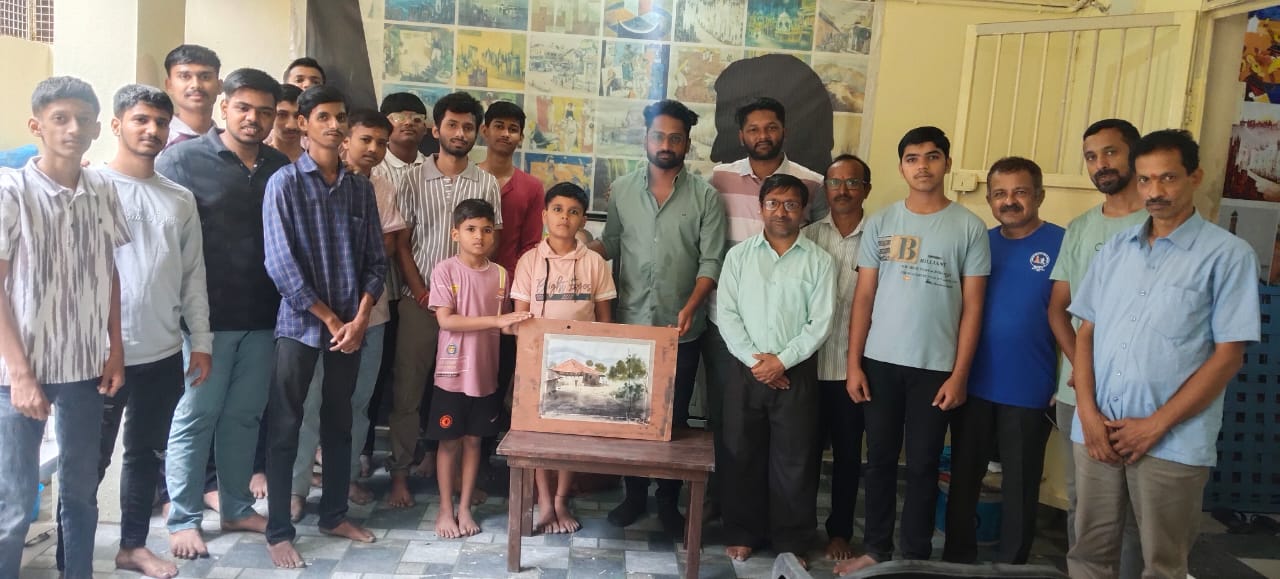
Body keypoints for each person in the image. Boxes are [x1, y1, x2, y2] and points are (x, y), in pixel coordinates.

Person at [1067, 130, 1259, 578]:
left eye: (1168, 178)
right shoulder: (1116, 251)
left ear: (1195, 177)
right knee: (1088, 554)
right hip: (1097, 431)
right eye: (1145, 180)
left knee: (1162, 564)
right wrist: (1088, 415)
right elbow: (1086, 333)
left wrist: (1155, 425)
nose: (1154, 191)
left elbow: (1229, 357)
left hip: (1172, 440)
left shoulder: (1228, 256)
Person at [54, 84, 210, 579]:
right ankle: (70, 561)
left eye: (160, 122)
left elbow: (193, 276)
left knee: (146, 454)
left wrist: (201, 341)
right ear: (117, 124)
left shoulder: (179, 198)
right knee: (87, 463)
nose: (152, 130)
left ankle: (132, 547)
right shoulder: (87, 185)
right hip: (95, 356)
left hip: (161, 350)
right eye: (141, 119)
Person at [838, 127, 990, 574]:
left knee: (923, 465)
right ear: (902, 167)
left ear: (947, 163)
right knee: (879, 461)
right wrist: (853, 365)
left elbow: (974, 308)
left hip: (936, 368)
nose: (922, 166)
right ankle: (877, 549)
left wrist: (959, 376)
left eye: (932, 156)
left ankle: (915, 555)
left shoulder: (969, 227)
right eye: (912, 158)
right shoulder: (882, 222)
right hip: (880, 364)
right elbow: (864, 297)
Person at [156, 68, 289, 560]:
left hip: (264, 317)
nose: (254, 119)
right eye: (244, 108)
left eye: (265, 112)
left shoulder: (279, 165)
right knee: (196, 416)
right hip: (203, 322)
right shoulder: (182, 160)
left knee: (244, 417)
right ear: (225, 106)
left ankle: (235, 506)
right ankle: (184, 517)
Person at [0, 76, 129, 579]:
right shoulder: (11, 191)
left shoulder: (102, 189)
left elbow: (110, 272)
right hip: (17, 374)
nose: (73, 129)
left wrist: (115, 349)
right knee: (14, 502)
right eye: (60, 119)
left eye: (83, 120)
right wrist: (20, 375)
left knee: (79, 495)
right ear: (37, 126)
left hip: (83, 369)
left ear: (97, 128)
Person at [262, 85, 386, 568]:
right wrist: (333, 318)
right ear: (303, 124)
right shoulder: (285, 184)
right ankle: (278, 531)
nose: (335, 126)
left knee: (340, 423)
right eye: (324, 117)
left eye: (340, 117)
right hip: (300, 326)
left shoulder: (359, 189)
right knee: (286, 426)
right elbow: (280, 264)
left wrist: (361, 317)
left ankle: (334, 515)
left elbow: (376, 261)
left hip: (351, 328)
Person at [590, 99, 727, 536]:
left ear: (687, 143)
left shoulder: (705, 196)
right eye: (658, 136)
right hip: (630, 323)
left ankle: (668, 501)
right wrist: (574, 250)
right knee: (630, 412)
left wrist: (691, 306)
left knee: (675, 419)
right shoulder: (623, 189)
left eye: (675, 138)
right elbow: (611, 243)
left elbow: (711, 261)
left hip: (681, 328)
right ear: (645, 138)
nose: (666, 144)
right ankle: (633, 497)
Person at [703, 96, 827, 520]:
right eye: (753, 129)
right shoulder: (719, 178)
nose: (763, 135)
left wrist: (781, 360)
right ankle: (729, 512)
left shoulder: (811, 182)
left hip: (791, 343)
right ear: (741, 135)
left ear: (784, 130)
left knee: (790, 447)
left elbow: (818, 243)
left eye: (771, 127)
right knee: (733, 431)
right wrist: (756, 360)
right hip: (733, 332)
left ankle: (786, 528)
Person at [943, 157, 1063, 564]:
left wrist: (1067, 381)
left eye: (1020, 192)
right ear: (990, 200)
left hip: (1030, 387)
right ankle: (957, 559)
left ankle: (1013, 565)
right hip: (971, 383)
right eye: (999, 194)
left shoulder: (1063, 244)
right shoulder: (979, 242)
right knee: (964, 477)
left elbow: (1080, 319)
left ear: (1039, 195)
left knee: (1021, 485)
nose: (1009, 201)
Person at [387, 91, 502, 508]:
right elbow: (402, 244)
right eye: (452, 125)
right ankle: (400, 473)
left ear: (477, 133)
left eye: (468, 127)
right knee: (409, 390)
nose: (460, 133)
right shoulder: (412, 178)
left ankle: (450, 473)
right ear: (436, 129)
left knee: (463, 390)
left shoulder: (487, 182)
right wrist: (421, 291)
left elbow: (492, 240)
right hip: (419, 303)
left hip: (471, 312)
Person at [288, 109, 405, 519]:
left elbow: (381, 252)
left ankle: (347, 478)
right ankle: (297, 487)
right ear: (345, 139)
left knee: (357, 403)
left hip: (371, 315)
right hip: (318, 317)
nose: (373, 148)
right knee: (309, 404)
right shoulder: (304, 182)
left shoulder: (381, 188)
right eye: (365, 139)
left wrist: (362, 313)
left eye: (380, 142)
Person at [1047, 118, 1147, 577]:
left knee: (1136, 513)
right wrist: (1080, 366)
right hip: (1076, 392)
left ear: (1134, 155)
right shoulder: (1082, 227)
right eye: (1091, 156)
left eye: (1110, 152)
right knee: (1084, 505)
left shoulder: (1159, 222)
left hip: (1139, 394)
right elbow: (1059, 309)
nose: (1101, 164)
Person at [718, 173, 835, 565]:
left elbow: (820, 322)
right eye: (773, 203)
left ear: (803, 211)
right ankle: (742, 532)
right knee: (742, 454)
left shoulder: (819, 261)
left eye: (790, 205)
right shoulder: (738, 257)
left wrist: (782, 361)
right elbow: (727, 314)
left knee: (795, 460)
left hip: (795, 371)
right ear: (760, 208)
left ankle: (792, 541)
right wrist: (758, 362)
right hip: (745, 368)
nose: (781, 212)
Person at [511, 182, 617, 534]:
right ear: (544, 215)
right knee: (538, 434)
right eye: (557, 209)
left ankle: (560, 500)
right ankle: (544, 500)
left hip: (580, 366)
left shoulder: (595, 263)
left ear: (583, 219)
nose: (564, 217)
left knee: (571, 433)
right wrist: (531, 358)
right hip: (536, 361)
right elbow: (519, 318)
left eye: (573, 212)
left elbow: (605, 321)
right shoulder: (529, 261)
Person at [426, 199, 530, 538]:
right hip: (451, 376)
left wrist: (530, 325)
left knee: (474, 443)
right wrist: (497, 321)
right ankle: (445, 510)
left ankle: (465, 508)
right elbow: (446, 320)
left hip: (485, 376)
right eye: (470, 229)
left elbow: (506, 325)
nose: (479, 236)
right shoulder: (445, 270)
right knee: (448, 444)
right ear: (455, 233)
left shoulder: (501, 274)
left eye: (486, 230)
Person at [800, 154, 869, 561]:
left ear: (866, 189)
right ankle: (799, 532)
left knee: (847, 457)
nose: (842, 190)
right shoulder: (807, 237)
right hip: (807, 367)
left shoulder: (880, 239)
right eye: (835, 182)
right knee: (802, 457)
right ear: (824, 189)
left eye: (852, 182)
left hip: (853, 369)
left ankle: (839, 532)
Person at [477, 100, 544, 470]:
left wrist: (515, 294)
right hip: (468, 296)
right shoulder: (470, 178)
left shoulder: (531, 187)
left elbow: (531, 245)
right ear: (484, 131)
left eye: (513, 128)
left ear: (520, 136)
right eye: (499, 126)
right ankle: (442, 452)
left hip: (511, 298)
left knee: (500, 375)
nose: (505, 134)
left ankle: (487, 456)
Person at [162, 44, 221, 146]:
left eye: (205, 77)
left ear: (219, 86)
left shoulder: (228, 142)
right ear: (169, 85)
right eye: (185, 76)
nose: (196, 85)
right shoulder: (159, 140)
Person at [266, 84, 304, 162]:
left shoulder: (319, 163)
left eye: (297, 116)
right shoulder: (254, 161)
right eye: (282, 115)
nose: (291, 126)